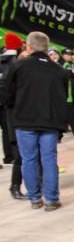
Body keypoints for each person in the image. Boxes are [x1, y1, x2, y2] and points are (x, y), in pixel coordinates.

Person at [0, 32, 68, 210]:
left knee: (28, 159)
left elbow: (7, 95)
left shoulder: (19, 66)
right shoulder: (59, 70)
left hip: (24, 121)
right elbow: (63, 99)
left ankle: (35, 199)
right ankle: (52, 200)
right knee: (49, 160)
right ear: (47, 47)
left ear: (28, 46)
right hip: (50, 122)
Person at [0, 32, 22, 167]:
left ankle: (9, 157)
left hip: (3, 99)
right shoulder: (16, 62)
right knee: (8, 130)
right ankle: (11, 156)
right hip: (7, 102)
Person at [55, 48, 74, 145]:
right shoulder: (60, 64)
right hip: (62, 95)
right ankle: (60, 136)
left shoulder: (72, 64)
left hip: (72, 93)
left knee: (72, 116)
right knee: (64, 117)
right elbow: (66, 74)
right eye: (68, 54)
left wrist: (73, 73)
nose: (70, 56)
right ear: (63, 55)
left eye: (71, 54)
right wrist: (72, 73)